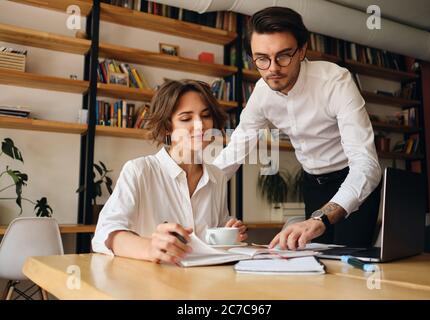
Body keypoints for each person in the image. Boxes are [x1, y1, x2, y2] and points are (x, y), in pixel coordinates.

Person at [213, 7, 382, 250]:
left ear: (302, 50)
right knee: (316, 258)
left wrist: (321, 218)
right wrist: (194, 187)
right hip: (312, 182)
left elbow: (366, 165)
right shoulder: (262, 93)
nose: (272, 69)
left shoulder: (335, 81)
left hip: (352, 178)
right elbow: (235, 150)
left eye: (283, 56)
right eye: (261, 58)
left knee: (349, 262)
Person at [92, 80, 248, 264]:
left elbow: (215, 231)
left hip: (204, 283)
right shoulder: (140, 171)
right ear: (167, 126)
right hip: (153, 284)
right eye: (186, 118)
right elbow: (104, 234)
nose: (200, 126)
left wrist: (229, 229)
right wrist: (149, 248)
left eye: (206, 116)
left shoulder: (217, 177)